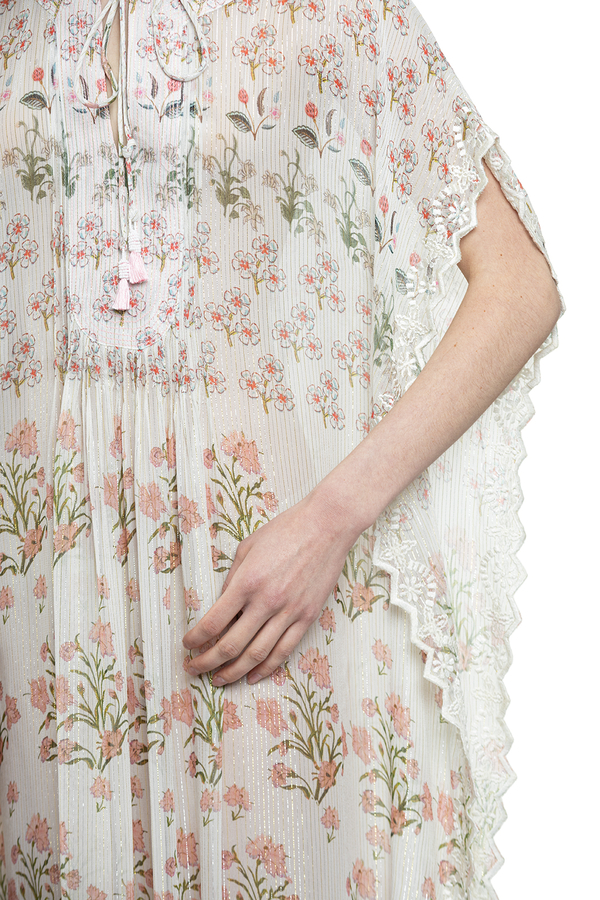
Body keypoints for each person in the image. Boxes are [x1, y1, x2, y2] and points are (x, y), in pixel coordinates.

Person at [0, 0, 561, 897]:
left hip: (278, 605)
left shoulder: (340, 17)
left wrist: (333, 519)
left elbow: (520, 284)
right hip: (51, 616)